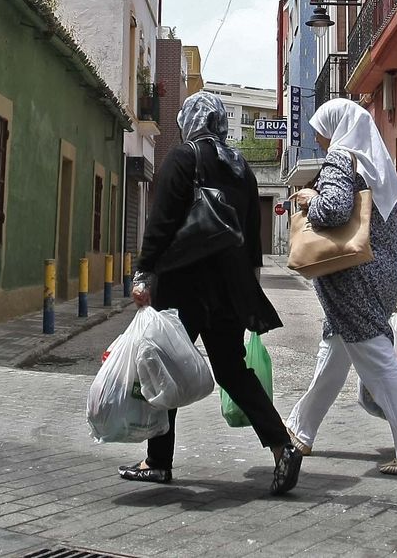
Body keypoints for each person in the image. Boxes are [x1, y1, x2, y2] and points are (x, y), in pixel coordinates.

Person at [125, 91, 303, 495]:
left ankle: (157, 461)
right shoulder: (241, 167)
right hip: (227, 289)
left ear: (190, 120)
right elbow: (252, 242)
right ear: (221, 123)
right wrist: (249, 288)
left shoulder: (184, 157)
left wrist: (143, 272)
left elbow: (162, 222)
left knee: (163, 365)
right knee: (232, 371)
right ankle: (282, 445)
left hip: (183, 283)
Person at [284, 98, 397, 475]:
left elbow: (334, 210)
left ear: (336, 127)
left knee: (376, 358)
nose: (319, 139)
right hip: (382, 275)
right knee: (333, 352)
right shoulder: (384, 167)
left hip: (353, 279)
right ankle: (300, 429)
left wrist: (309, 198)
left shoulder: (342, 158)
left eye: (321, 130)